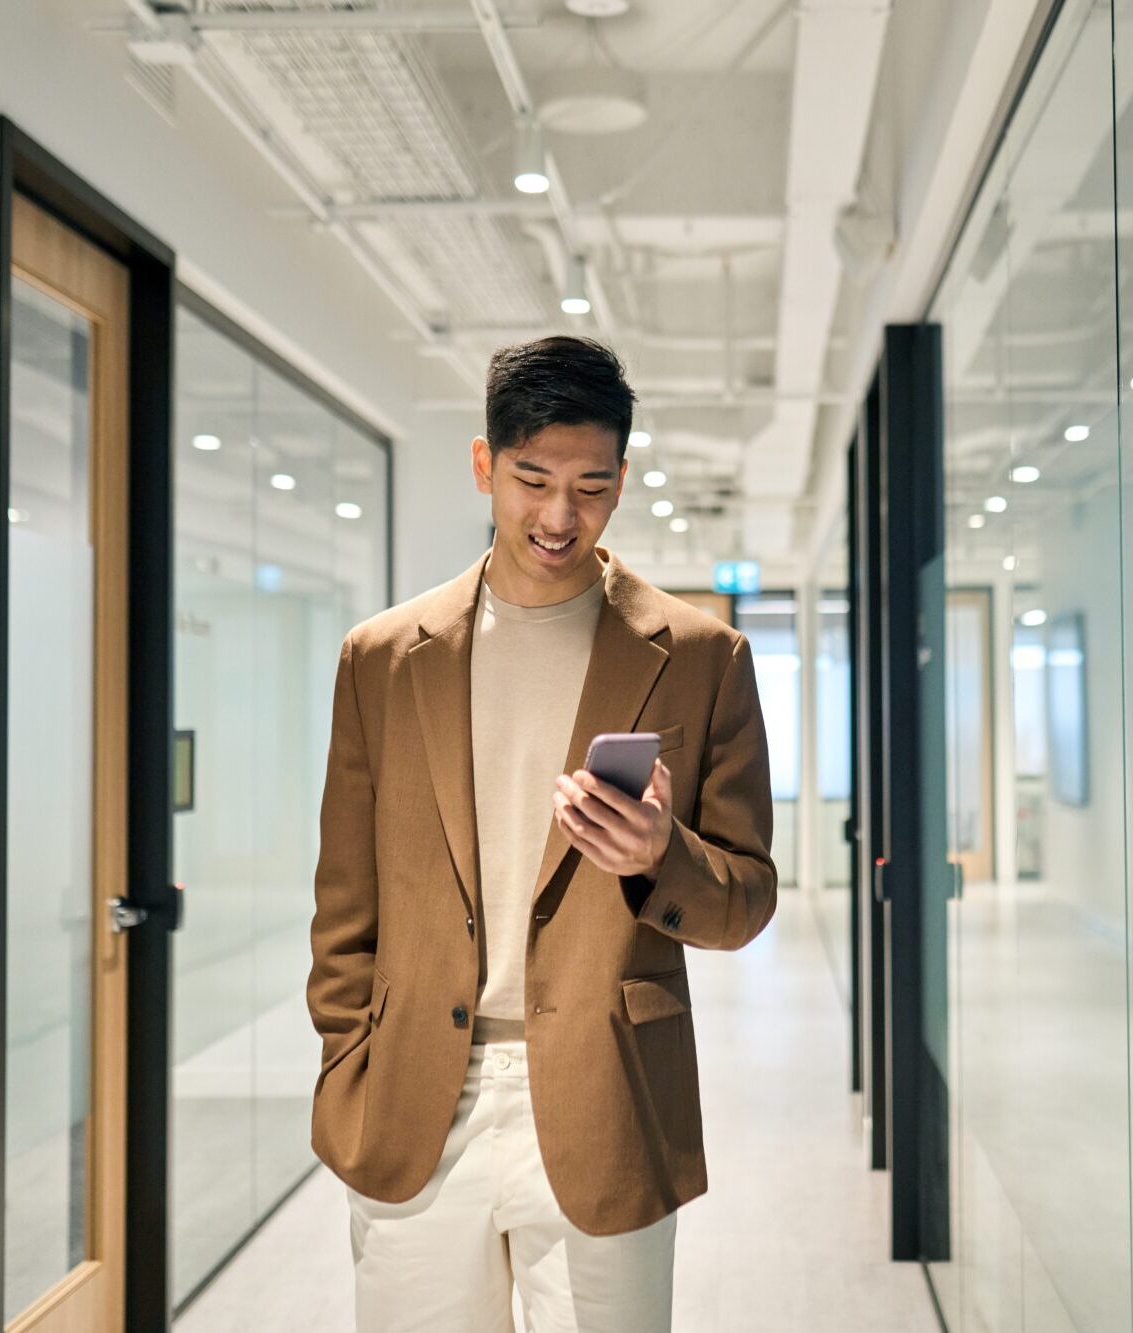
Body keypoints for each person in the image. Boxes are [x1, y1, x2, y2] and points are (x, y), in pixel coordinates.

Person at [306, 335, 777, 1332]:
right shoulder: (383, 660)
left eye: (592, 487)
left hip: (609, 1098)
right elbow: (345, 900)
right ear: (485, 465)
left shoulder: (700, 657)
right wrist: (349, 1059)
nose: (560, 516)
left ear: (620, 480)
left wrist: (662, 857)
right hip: (417, 1098)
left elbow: (746, 899)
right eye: (532, 480)